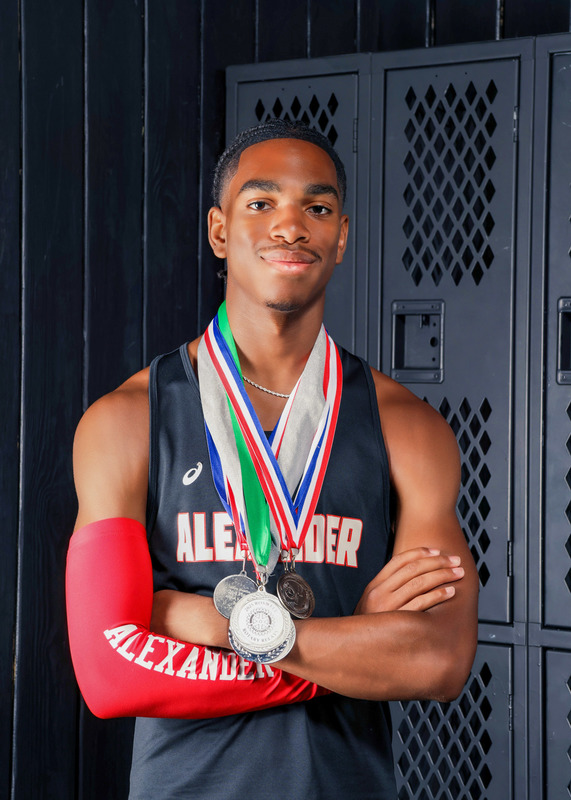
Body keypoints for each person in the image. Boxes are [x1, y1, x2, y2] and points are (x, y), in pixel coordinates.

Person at [66, 119, 479, 799]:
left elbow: (436, 661)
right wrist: (356, 642)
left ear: (340, 236)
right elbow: (111, 679)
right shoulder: (125, 420)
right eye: (261, 204)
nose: (290, 227)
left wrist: (215, 625)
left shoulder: (407, 428)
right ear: (219, 232)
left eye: (315, 209)